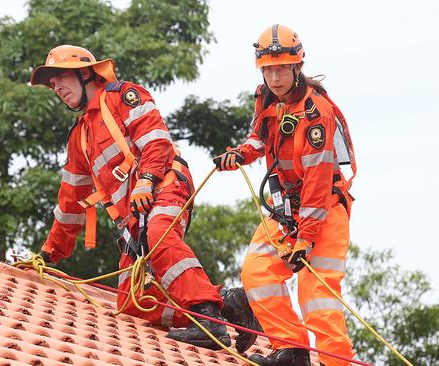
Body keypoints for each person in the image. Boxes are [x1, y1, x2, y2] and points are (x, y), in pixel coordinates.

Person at [30, 45, 258, 351]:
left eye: (58, 77)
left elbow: (157, 141)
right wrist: (48, 253)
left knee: (159, 233)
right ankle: (228, 304)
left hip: (165, 184)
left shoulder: (123, 97)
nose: (55, 87)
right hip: (133, 216)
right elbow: (71, 202)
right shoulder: (79, 137)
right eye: (51, 84)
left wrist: (147, 180)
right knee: (132, 302)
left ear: (85, 73)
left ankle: (209, 321)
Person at [213, 25, 357, 366]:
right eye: (268, 69)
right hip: (285, 212)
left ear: (297, 66)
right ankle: (291, 352)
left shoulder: (316, 112)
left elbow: (319, 181)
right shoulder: (265, 98)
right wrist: (241, 154)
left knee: (317, 298)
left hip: (322, 213)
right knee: (257, 273)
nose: (275, 77)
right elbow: (258, 140)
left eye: (281, 69)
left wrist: (306, 238)